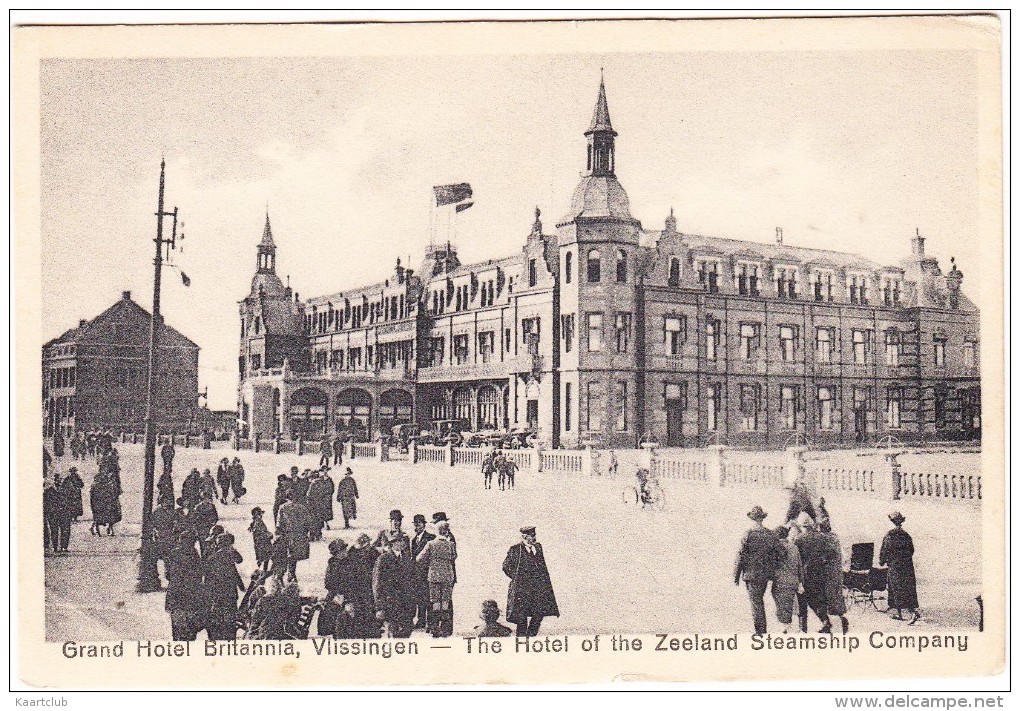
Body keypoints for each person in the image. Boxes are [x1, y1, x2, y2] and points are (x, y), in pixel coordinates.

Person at [733, 505, 785, 635]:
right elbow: (782, 552)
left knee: (756, 602)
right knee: (759, 600)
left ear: (752, 519)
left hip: (751, 575)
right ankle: (761, 630)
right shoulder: (770, 534)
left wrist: (736, 575)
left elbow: (740, 555)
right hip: (765, 575)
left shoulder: (748, 534)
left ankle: (760, 632)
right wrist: (773, 565)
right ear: (762, 519)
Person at [502, 526, 559, 637]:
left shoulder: (538, 548)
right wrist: (516, 578)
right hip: (521, 591)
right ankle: (522, 640)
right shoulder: (515, 549)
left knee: (539, 614)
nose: (534, 538)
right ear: (524, 537)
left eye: (534, 535)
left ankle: (531, 637)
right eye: (531, 536)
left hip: (537, 590)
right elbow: (506, 566)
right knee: (521, 619)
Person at [417, 520, 457, 637]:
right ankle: (445, 629)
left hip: (434, 576)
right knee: (445, 602)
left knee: (435, 603)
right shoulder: (451, 544)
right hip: (448, 576)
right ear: (446, 531)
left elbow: (419, 558)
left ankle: (435, 629)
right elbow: (454, 557)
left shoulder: (431, 544)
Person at [165, 530, 208, 641]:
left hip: (176, 594)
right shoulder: (194, 553)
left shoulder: (174, 553)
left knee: (177, 626)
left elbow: (168, 575)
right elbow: (200, 572)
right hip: (192, 594)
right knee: (191, 626)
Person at [880, 512, 921, 624]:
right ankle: (911, 608)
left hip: (895, 565)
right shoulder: (906, 535)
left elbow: (884, 550)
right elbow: (911, 550)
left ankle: (899, 611)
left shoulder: (889, 535)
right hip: (907, 565)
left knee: (895, 585)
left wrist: (882, 561)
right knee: (908, 586)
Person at [796, 516, 836, 633]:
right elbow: (831, 554)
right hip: (820, 574)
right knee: (818, 599)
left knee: (802, 601)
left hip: (806, 574)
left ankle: (803, 629)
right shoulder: (822, 537)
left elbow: (796, 558)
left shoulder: (799, 539)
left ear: (804, 527)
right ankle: (825, 621)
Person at [373, 535, 416, 638]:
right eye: (400, 541)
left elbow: (411, 580)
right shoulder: (383, 559)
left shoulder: (406, 558)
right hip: (390, 603)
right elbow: (377, 583)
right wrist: (380, 606)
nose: (403, 543)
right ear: (393, 543)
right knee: (392, 633)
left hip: (405, 603)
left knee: (407, 630)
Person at [205, 532, 245, 640]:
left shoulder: (212, 558)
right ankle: (230, 636)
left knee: (218, 616)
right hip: (230, 592)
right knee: (230, 616)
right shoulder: (229, 556)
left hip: (217, 593)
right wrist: (241, 586)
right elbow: (239, 562)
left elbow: (208, 578)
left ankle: (219, 636)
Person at [771, 525, 804, 634]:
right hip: (793, 581)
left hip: (780, 582)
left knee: (781, 604)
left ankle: (785, 627)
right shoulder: (794, 547)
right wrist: (800, 583)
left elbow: (772, 566)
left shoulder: (776, 548)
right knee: (788, 602)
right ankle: (788, 624)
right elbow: (800, 567)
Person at [818, 520, 850, 634]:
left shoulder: (825, 539)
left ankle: (835, 624)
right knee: (836, 597)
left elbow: (825, 557)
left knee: (827, 599)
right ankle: (840, 619)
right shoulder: (835, 537)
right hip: (837, 572)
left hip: (829, 573)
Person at [350, 533, 382, 638]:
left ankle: (372, 629)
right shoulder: (353, 553)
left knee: (370, 607)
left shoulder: (374, 553)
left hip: (370, 584)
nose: (365, 548)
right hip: (359, 585)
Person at [277, 492, 313, 581]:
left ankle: (286, 575)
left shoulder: (283, 508)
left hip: (288, 535)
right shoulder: (302, 508)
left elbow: (279, 523)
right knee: (294, 556)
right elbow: (308, 522)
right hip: (300, 535)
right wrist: (306, 532)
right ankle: (291, 574)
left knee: (287, 555)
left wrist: (279, 534)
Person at [410, 514, 436, 630]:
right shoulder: (414, 540)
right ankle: (421, 621)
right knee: (419, 598)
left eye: (419, 524)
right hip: (417, 574)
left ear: (424, 525)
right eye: (415, 524)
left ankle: (430, 623)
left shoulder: (431, 538)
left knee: (429, 598)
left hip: (427, 572)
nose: (417, 526)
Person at [90, 471, 122, 536]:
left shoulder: (107, 484)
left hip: (107, 502)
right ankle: (97, 529)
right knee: (101, 517)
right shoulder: (99, 485)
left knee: (108, 516)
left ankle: (109, 530)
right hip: (102, 503)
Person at [307, 467, 336, 540]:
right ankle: (317, 534)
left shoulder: (314, 483)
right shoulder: (319, 482)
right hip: (319, 504)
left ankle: (314, 535)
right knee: (318, 520)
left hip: (316, 504)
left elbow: (309, 495)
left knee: (315, 520)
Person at [249, 507, 273, 571]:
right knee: (265, 557)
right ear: (255, 515)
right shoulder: (258, 522)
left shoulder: (256, 521)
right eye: (259, 514)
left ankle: (263, 570)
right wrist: (270, 535)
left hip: (260, 542)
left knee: (264, 557)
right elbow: (262, 531)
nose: (261, 515)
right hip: (262, 542)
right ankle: (263, 572)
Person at [43, 476, 63, 553]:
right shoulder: (49, 491)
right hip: (52, 513)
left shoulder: (62, 490)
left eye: (60, 481)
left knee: (58, 530)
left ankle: (57, 547)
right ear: (55, 481)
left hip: (60, 513)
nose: (59, 482)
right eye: (58, 481)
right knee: (54, 529)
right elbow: (45, 503)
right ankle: (54, 547)